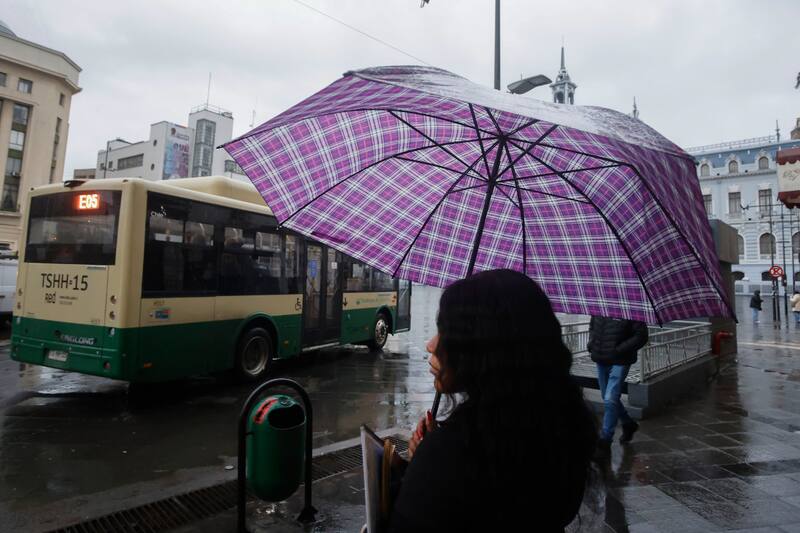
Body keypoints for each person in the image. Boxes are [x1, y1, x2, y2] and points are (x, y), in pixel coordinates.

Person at [389, 269, 597, 533]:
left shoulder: (453, 452)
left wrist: (417, 469)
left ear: (481, 349)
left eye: (446, 331)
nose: (431, 344)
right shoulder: (566, 432)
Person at [587, 315, 648, 459]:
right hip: (601, 358)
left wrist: (618, 349)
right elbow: (592, 326)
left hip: (620, 360)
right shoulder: (601, 305)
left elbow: (641, 336)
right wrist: (591, 343)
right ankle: (628, 424)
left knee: (610, 398)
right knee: (606, 396)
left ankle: (605, 440)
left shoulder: (631, 309)